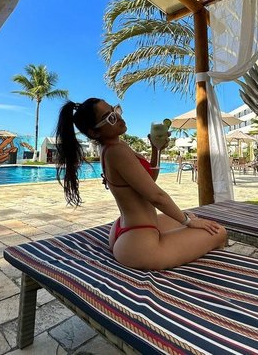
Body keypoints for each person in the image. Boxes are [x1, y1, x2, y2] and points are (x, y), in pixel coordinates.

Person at [55, 98, 227, 270]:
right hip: (140, 244)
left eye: (115, 110)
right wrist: (188, 222)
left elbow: (148, 179)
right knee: (218, 232)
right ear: (94, 133)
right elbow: (156, 196)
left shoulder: (115, 145)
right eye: (111, 117)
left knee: (192, 216)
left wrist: (156, 149)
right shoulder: (117, 151)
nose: (118, 117)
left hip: (129, 229)